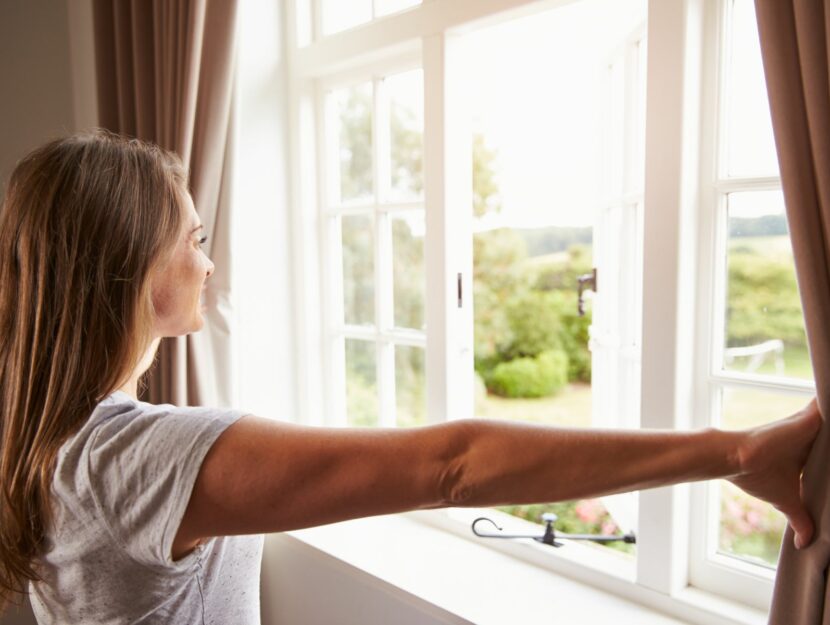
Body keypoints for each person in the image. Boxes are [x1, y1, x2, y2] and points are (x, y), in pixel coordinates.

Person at [0, 131, 820, 624]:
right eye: (195, 238)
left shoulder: (50, 431)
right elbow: (452, 465)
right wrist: (737, 449)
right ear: (134, 263)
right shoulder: (133, 456)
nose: (208, 262)